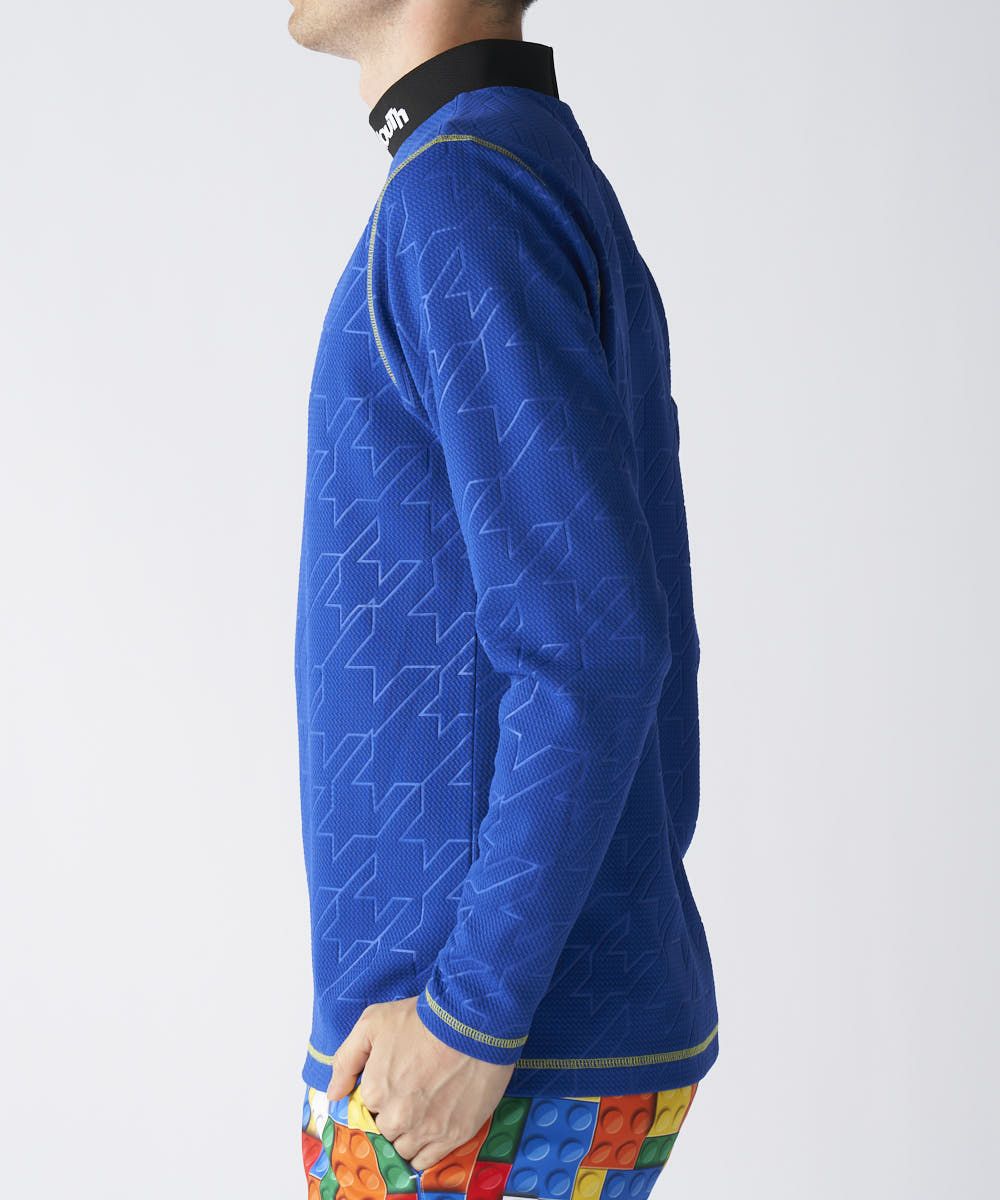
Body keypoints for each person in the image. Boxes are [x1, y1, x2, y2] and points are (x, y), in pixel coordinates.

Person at [287, 2, 720, 1196]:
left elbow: (593, 644)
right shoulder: (503, 172)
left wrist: (469, 1015)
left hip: (479, 1061)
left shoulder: (461, 194)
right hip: (508, 1036)